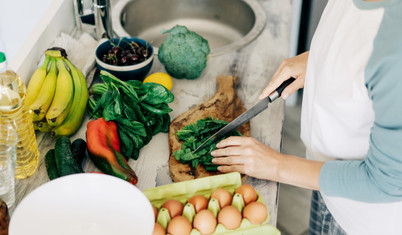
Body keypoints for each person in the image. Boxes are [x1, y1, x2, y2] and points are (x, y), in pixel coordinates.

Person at [210, 0, 402, 234]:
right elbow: (361, 40)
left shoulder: (396, 53)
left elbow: (385, 183)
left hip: (361, 215)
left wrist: (276, 165)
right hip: (324, 177)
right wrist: (320, 59)